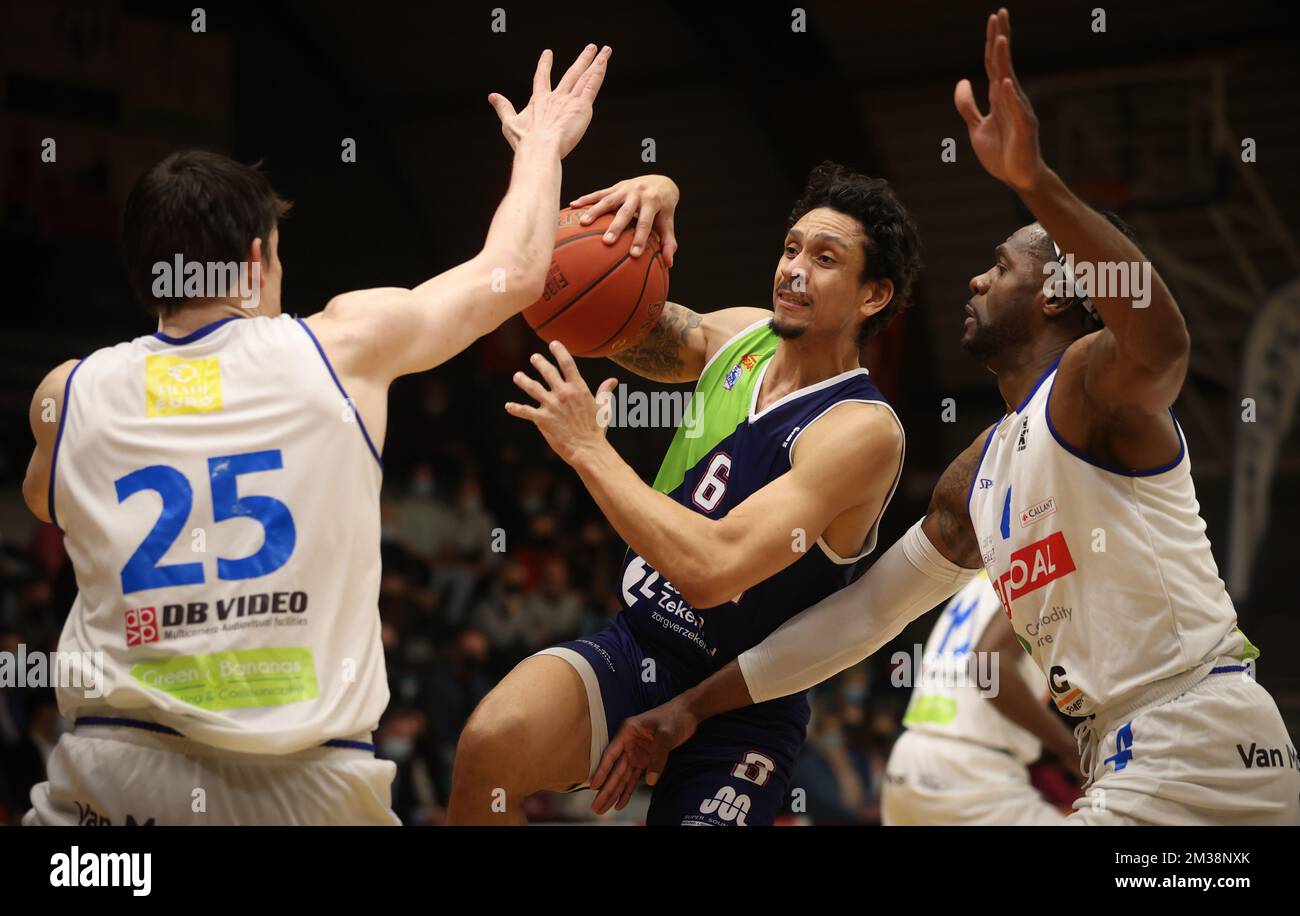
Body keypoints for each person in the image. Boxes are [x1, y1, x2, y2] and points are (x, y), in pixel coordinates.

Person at [589, 9, 1300, 827]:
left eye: (1001, 266)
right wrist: (694, 708)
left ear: (1058, 292)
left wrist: (1036, 182)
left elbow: (1161, 336)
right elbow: (862, 617)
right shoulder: (982, 473)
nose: (973, 282)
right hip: (1135, 750)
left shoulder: (1095, 385)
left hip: (1192, 740)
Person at [19, 45, 611, 826]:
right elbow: (516, 270)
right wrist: (539, 147)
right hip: (304, 792)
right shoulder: (341, 346)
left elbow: (45, 506)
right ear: (259, 257)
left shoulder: (68, 393)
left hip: (112, 790)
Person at [448, 162, 919, 825]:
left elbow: (711, 572)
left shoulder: (860, 429)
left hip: (739, 701)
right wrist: (657, 197)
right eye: (790, 249)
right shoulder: (733, 338)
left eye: (825, 258)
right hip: (638, 645)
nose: (793, 269)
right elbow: (609, 312)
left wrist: (588, 449)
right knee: (490, 744)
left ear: (872, 296)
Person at [882, 574, 1075, 825]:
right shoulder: (1044, 569)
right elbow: (986, 665)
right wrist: (1070, 750)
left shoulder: (988, 574)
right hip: (968, 768)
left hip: (908, 755)